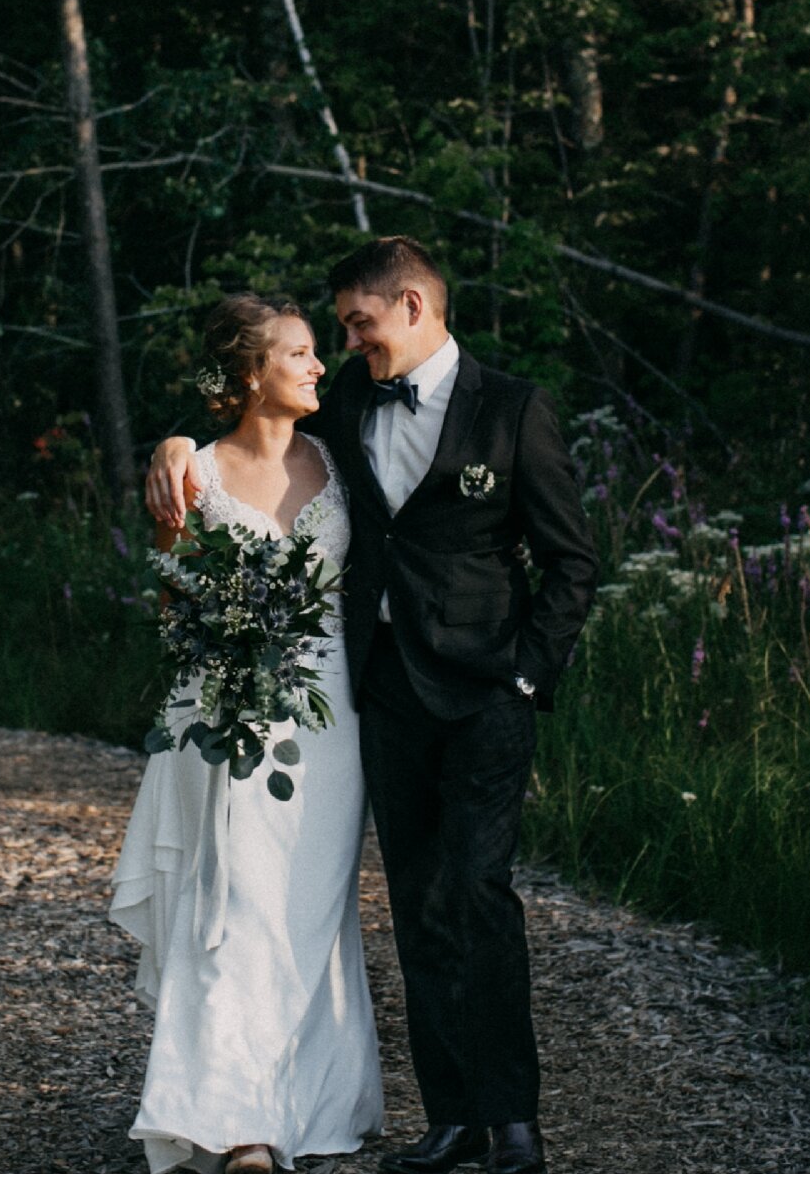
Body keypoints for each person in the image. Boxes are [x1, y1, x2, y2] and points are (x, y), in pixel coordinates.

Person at [146, 237, 598, 1176]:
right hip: (378, 697)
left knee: (479, 891)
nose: (347, 343)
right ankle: (450, 1119)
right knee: (419, 904)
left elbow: (572, 561)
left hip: (484, 697)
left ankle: (512, 1119)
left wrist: (527, 674)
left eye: (359, 323)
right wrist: (173, 441)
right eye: (338, 328)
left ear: (414, 309)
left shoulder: (514, 409)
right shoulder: (347, 402)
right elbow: (249, 425)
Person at [109, 294, 384, 1173]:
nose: (316, 366)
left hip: (332, 715)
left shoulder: (344, 458)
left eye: (314, 353)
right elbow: (168, 596)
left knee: (310, 909)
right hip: (224, 711)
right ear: (248, 375)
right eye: (298, 355)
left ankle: (312, 1104)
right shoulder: (194, 473)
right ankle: (236, 1122)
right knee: (232, 907)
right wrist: (229, 638)